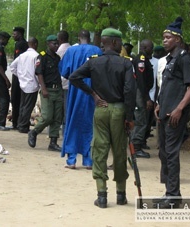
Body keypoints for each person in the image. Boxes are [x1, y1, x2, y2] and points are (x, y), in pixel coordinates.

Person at [69, 28, 136, 208]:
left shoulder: (94, 63)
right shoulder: (126, 63)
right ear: (114, 42)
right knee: (120, 151)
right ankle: (121, 195)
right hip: (120, 110)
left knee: (99, 149)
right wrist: (130, 117)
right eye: (120, 41)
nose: (121, 44)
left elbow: (74, 77)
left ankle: (102, 196)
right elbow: (130, 91)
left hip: (101, 109)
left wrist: (93, 94)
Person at [154, 17, 190, 208]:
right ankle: (170, 192)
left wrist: (179, 109)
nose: (164, 40)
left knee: (171, 154)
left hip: (175, 116)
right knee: (164, 153)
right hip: (164, 113)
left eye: (168, 37)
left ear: (178, 40)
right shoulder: (169, 60)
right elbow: (167, 87)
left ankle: (174, 196)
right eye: (163, 37)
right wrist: (158, 104)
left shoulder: (183, 58)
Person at [59, 30, 102, 169]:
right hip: (92, 92)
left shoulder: (71, 51)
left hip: (76, 91)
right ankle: (89, 160)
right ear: (89, 38)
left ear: (79, 37)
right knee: (90, 124)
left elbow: (65, 72)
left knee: (73, 122)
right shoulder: (97, 50)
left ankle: (71, 160)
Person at [28, 35, 63, 151]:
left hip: (58, 90)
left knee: (57, 117)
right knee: (47, 117)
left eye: (57, 43)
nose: (56, 46)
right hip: (47, 90)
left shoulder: (57, 58)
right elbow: (39, 73)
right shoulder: (42, 56)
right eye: (54, 44)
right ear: (48, 44)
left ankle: (53, 142)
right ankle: (34, 132)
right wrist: (43, 88)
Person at [10, 37, 39, 133]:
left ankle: (20, 123)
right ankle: (23, 126)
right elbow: (38, 72)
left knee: (22, 105)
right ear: (35, 44)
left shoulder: (22, 56)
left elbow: (12, 67)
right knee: (28, 106)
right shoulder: (36, 56)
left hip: (22, 83)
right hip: (32, 84)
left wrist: (20, 75)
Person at [131, 39, 154, 158]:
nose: (153, 49)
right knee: (141, 120)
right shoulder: (141, 59)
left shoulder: (144, 59)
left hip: (142, 93)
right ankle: (136, 147)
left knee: (142, 120)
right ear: (145, 47)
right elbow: (141, 81)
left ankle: (137, 145)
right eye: (151, 47)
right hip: (140, 93)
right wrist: (147, 98)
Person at [10, 27, 29, 130]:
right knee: (22, 99)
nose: (13, 36)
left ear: (20, 34)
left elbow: (18, 60)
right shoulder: (25, 44)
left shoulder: (19, 44)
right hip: (24, 74)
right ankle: (20, 121)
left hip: (18, 75)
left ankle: (16, 123)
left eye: (15, 34)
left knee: (15, 98)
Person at [56, 30, 71, 135]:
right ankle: (66, 131)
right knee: (67, 109)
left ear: (60, 39)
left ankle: (59, 131)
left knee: (59, 109)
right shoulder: (72, 49)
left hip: (61, 83)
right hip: (70, 83)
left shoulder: (59, 51)